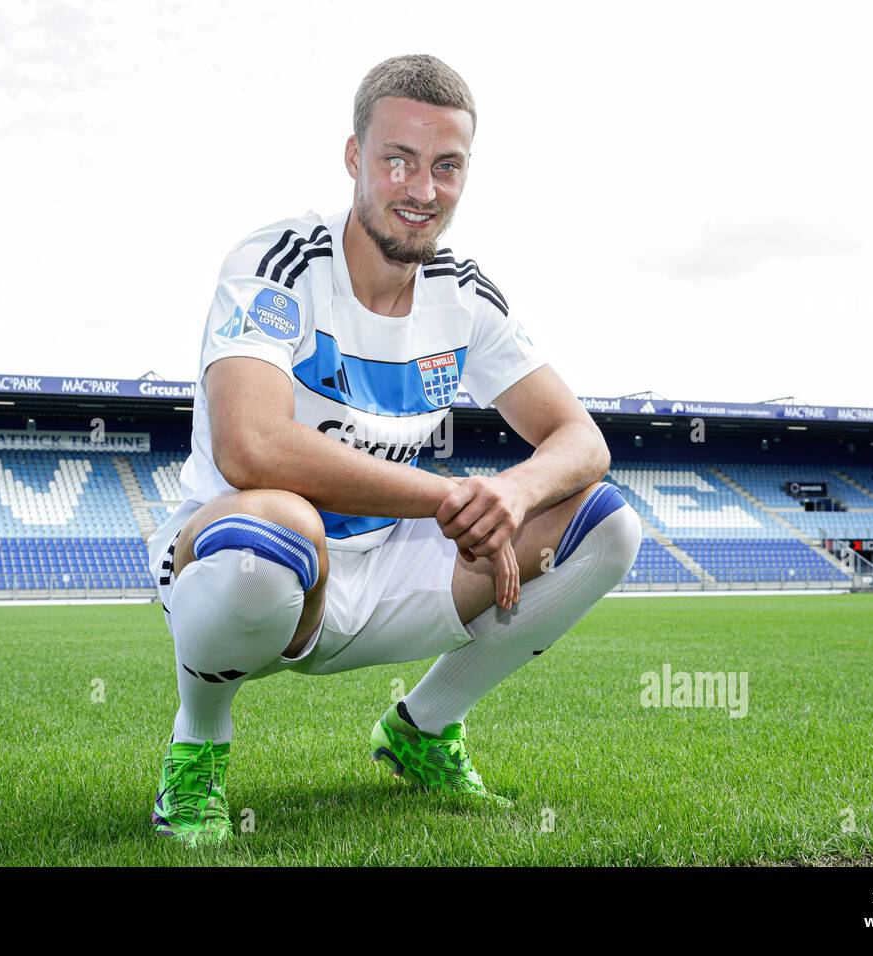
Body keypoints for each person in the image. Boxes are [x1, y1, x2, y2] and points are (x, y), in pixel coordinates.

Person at [148, 53, 642, 846]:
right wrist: (447, 497)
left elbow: (581, 439)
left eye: (446, 166)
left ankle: (424, 727)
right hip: (253, 565)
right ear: (354, 158)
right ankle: (197, 747)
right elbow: (251, 447)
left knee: (607, 524)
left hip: (393, 562)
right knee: (269, 533)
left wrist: (510, 494)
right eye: (398, 160)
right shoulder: (275, 265)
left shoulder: (466, 293)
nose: (422, 190)